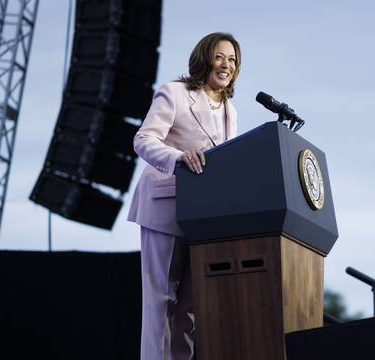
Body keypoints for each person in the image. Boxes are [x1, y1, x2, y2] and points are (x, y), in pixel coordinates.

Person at [127, 32, 241, 360]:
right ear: (204, 58)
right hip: (164, 207)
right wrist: (177, 157)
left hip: (204, 217)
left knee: (190, 310)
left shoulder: (232, 112)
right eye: (220, 56)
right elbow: (143, 139)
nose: (227, 65)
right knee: (161, 302)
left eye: (232, 60)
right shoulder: (174, 93)